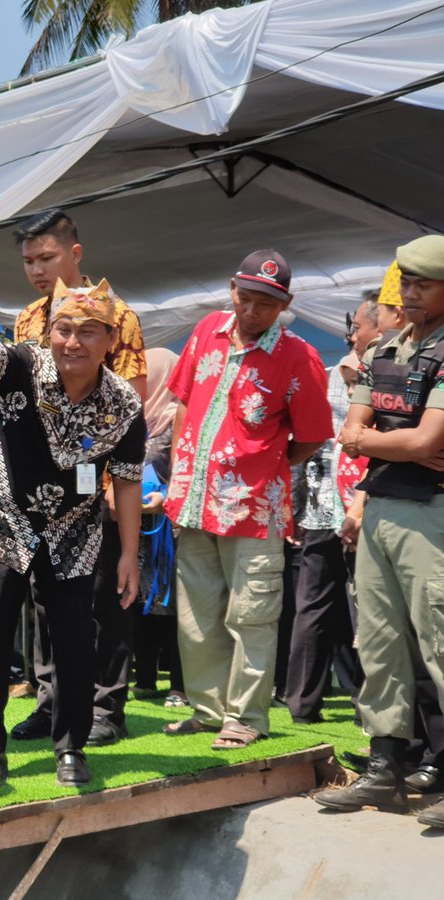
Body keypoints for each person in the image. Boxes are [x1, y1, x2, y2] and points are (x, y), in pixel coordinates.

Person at [0, 270, 144, 788]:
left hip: (75, 530)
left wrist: (129, 553)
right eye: (63, 328)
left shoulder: (123, 402)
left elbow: (127, 482)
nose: (72, 341)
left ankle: (71, 748)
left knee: (73, 639)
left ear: (110, 340)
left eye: (87, 331)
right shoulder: (24, 364)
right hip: (1, 517)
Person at [162, 250, 333, 750]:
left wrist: (265, 464)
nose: (253, 311)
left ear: (285, 304)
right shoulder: (207, 329)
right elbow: (182, 404)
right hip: (193, 501)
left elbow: (312, 436)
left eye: (267, 303)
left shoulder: (299, 356)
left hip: (254, 507)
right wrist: (180, 473)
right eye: (247, 298)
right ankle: (208, 709)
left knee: (252, 615)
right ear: (230, 289)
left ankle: (247, 716)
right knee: (196, 616)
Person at [316, 235, 444, 829]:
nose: (408, 293)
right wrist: (392, 443)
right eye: (405, 284)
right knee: (380, 642)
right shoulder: (387, 347)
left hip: (432, 511)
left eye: (420, 284)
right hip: (384, 506)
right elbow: (353, 429)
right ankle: (384, 769)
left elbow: (423, 441)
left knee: (439, 642)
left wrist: (388, 442)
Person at [9, 209, 148, 748]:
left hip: (97, 475)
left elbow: (126, 409)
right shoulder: (26, 320)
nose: (38, 270)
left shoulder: (119, 315)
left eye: (47, 258)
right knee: (49, 598)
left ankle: (106, 704)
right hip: (38, 486)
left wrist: (108, 492)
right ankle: (53, 702)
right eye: (28, 261)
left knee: (104, 593)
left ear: (75, 254)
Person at [284, 310, 364, 725]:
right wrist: (294, 507)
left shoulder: (394, 377)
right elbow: (306, 437)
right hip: (322, 509)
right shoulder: (329, 375)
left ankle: (365, 706)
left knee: (360, 610)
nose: (356, 334)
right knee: (314, 608)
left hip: (365, 510)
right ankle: (302, 704)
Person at [132, 348, 186, 707]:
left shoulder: (178, 417)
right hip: (136, 527)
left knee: (174, 608)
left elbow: (186, 466)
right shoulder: (135, 418)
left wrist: (167, 496)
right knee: (139, 603)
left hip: (170, 529)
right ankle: (146, 677)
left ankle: (180, 686)